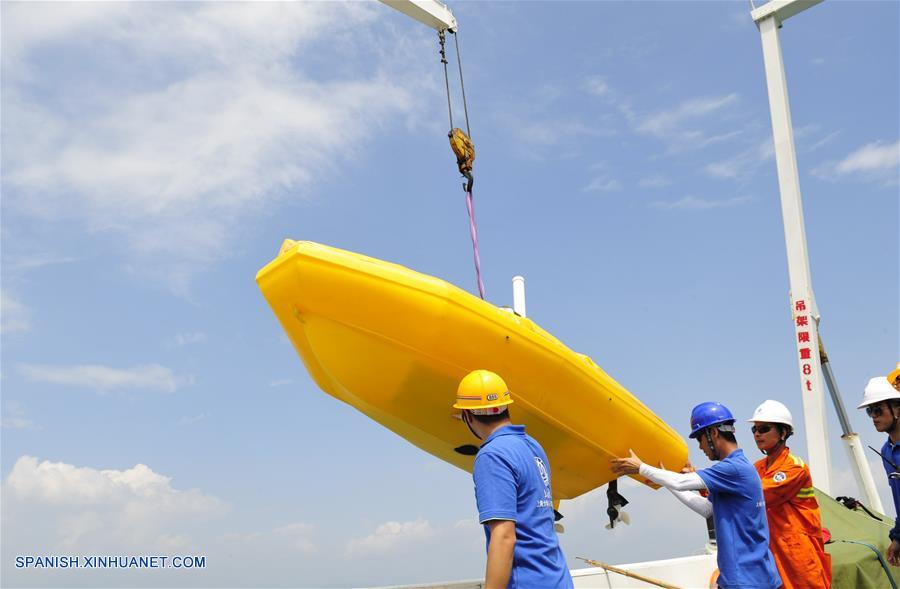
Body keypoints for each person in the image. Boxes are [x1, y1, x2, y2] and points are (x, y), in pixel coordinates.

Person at [612, 402, 781, 589]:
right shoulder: (738, 469)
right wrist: (664, 481)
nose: (700, 447)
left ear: (714, 433)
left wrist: (641, 468)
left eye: (699, 439)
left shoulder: (734, 468)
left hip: (748, 579)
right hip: (747, 576)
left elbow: (680, 482)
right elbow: (707, 509)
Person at [453, 369, 573, 589]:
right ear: (506, 406)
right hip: (557, 579)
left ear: (468, 417)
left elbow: (504, 536)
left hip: (527, 582)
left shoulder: (492, 455)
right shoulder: (532, 445)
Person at [747, 400, 831, 588]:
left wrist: (709, 483)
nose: (758, 434)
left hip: (799, 554)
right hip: (772, 551)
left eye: (764, 428)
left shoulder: (794, 467)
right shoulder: (757, 468)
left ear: (783, 432)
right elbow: (738, 490)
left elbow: (756, 493)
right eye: (755, 430)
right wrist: (704, 486)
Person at [858, 375, 900, 566]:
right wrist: (898, 538)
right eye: (869, 411)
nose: (874, 416)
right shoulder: (887, 451)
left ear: (897, 408)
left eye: (878, 410)